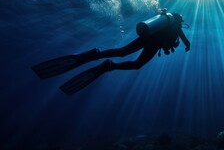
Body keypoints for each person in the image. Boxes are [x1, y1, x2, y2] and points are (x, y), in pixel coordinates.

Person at [32, 10, 191, 95]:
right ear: (180, 20)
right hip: (153, 45)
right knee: (137, 65)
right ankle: (110, 66)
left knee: (121, 51)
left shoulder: (167, 22)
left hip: (147, 38)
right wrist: (187, 45)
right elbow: (185, 39)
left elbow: (182, 39)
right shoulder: (177, 27)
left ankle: (96, 54)